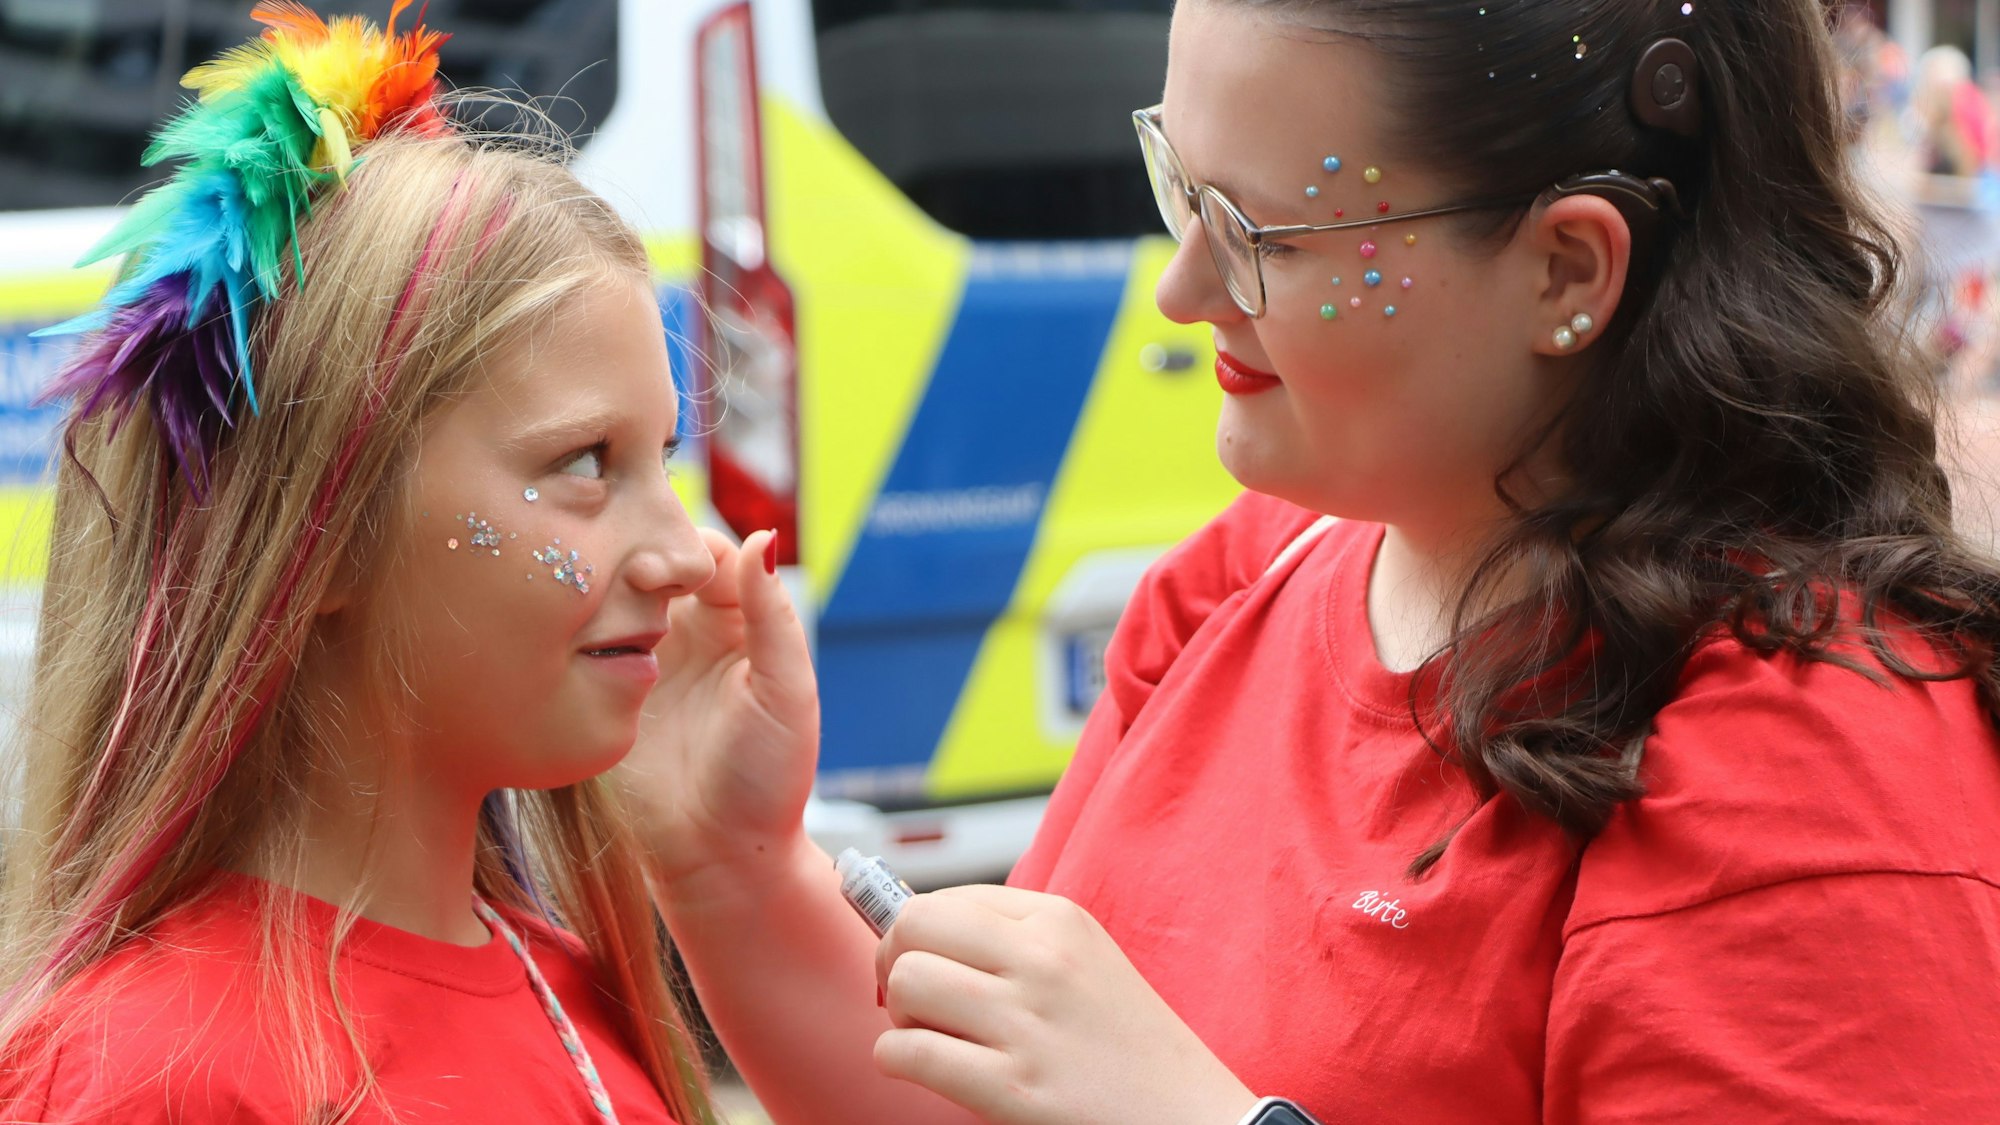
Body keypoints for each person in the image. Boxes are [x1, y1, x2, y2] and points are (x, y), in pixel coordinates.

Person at [629, 0, 2000, 1122]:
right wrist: (729, 865)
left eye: (1262, 235)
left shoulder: (1812, 771)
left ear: (1567, 272)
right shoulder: (1246, 579)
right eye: (1183, 187)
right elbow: (998, 1095)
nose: (1186, 290)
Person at [0, 4, 798, 1120]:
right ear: (315, 535)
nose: (683, 553)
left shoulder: (564, 977)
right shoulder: (151, 1073)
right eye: (583, 463)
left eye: (661, 458)